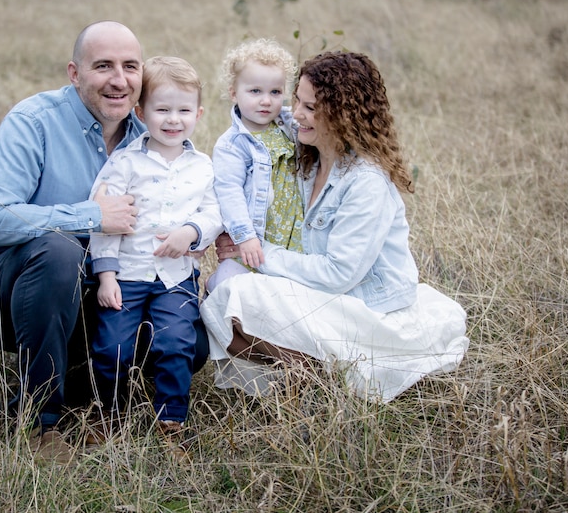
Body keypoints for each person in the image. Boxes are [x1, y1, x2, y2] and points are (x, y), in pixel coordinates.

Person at [0, 22, 209, 464]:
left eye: (130, 66)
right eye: (103, 66)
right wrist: (92, 215)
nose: (119, 79)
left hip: (104, 291)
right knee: (60, 250)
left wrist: (205, 234)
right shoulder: (33, 121)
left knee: (191, 339)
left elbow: (191, 201)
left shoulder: (148, 137)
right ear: (75, 73)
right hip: (3, 293)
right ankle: (38, 422)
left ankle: (92, 393)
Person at [201, 51, 469, 401]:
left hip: (363, 304)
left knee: (237, 297)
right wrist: (237, 238)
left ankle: (327, 384)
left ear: (342, 114)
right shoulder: (308, 159)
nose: (295, 114)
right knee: (218, 292)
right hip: (324, 293)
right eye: (296, 100)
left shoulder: (366, 181)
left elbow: (338, 273)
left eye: (310, 108)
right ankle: (305, 378)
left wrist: (258, 254)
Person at [87, 56, 222, 445]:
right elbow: (105, 218)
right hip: (127, 274)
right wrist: (106, 275)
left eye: (183, 110)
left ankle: (171, 422)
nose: (173, 119)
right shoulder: (125, 162)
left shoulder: (202, 167)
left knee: (176, 343)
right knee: (112, 346)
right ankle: (109, 416)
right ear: (141, 111)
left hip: (176, 276)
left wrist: (193, 232)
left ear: (198, 113)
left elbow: (214, 212)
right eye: (162, 109)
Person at [206, 38, 304, 290]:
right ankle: (213, 294)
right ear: (233, 93)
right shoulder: (232, 145)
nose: (266, 101)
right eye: (255, 91)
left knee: (279, 293)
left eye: (275, 92)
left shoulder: (289, 126)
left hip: (290, 234)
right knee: (231, 285)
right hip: (252, 234)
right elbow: (229, 192)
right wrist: (245, 236)